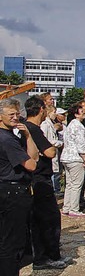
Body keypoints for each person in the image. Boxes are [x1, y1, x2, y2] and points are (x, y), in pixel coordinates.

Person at [24, 97, 70, 270]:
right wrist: (50, 147)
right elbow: (49, 152)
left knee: (36, 220)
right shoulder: (33, 129)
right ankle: (48, 257)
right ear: (41, 109)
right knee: (48, 219)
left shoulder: (24, 128)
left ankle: (39, 256)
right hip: (40, 179)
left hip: (32, 179)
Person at [0, 98, 39, 276]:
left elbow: (34, 157)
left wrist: (28, 136)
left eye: (17, 114)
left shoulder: (12, 137)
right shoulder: (6, 139)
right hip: (12, 191)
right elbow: (31, 165)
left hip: (10, 189)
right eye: (11, 114)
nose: (16, 118)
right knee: (12, 242)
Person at [60, 102, 85, 217]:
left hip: (67, 157)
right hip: (75, 158)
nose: (84, 113)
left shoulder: (70, 125)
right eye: (81, 112)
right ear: (76, 114)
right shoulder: (77, 126)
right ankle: (74, 208)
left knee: (69, 184)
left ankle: (66, 207)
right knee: (77, 184)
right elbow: (80, 145)